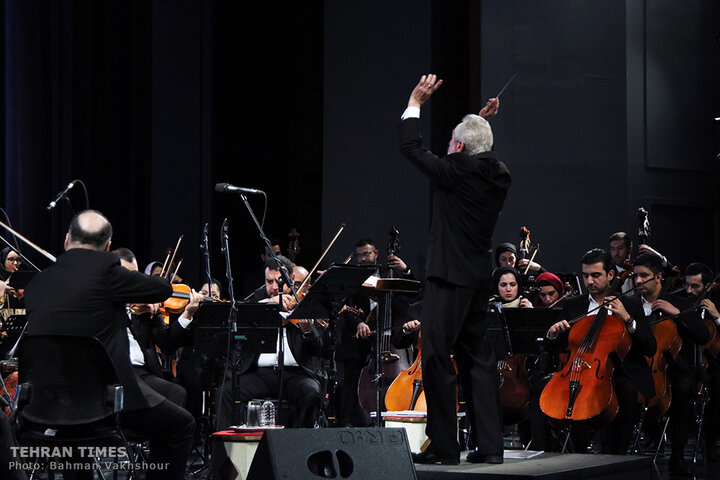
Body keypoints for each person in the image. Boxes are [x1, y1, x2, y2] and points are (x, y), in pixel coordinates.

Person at [24, 210, 195, 480]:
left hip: (47, 402)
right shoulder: (109, 273)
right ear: (107, 248)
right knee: (180, 425)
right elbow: (161, 290)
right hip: (102, 404)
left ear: (67, 239)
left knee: (77, 438)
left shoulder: (37, 283)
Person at [400, 73, 511, 464]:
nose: (447, 148)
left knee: (436, 358)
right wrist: (482, 123)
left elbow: (410, 146)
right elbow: (481, 153)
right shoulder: (498, 174)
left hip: (447, 280)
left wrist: (415, 102)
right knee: (477, 363)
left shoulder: (456, 169)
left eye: (451, 143)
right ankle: (491, 448)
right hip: (478, 281)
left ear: (459, 146)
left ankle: (446, 447)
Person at [546, 248, 655, 455]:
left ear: (610, 275)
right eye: (585, 276)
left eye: (596, 275)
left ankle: (617, 457)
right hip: (580, 371)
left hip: (621, 373)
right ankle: (570, 456)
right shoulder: (573, 304)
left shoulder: (630, 304)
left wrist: (627, 319)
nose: (589, 282)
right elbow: (555, 347)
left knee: (625, 390)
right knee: (546, 391)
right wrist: (552, 334)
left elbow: (650, 347)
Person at [216, 254, 326, 429]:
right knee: (226, 392)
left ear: (291, 279)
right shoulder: (257, 301)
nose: (275, 287)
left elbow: (319, 349)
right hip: (260, 373)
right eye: (269, 282)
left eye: (279, 281)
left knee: (310, 392)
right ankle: (226, 451)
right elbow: (238, 323)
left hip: (296, 373)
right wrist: (266, 306)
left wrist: (306, 329)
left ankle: (299, 446)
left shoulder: (305, 304)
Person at [634, 253, 708, 475]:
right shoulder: (628, 304)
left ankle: (677, 454)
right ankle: (625, 450)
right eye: (635, 276)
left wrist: (677, 315)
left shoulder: (680, 303)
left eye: (644, 276)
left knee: (682, 389)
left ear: (658, 277)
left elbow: (703, 335)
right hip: (638, 365)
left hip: (673, 368)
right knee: (625, 387)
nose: (637, 281)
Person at [114, 247, 202, 407]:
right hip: (115, 372)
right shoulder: (103, 303)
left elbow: (167, 344)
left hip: (141, 372)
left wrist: (187, 314)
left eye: (134, 277)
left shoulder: (146, 307)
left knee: (178, 392)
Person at [684, 263, 720, 462]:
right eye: (687, 285)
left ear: (707, 287)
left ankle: (710, 441)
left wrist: (717, 316)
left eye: (695, 286)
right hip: (686, 363)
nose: (689, 291)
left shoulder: (716, 305)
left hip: (711, 363)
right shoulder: (682, 304)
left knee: (716, 384)